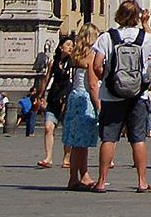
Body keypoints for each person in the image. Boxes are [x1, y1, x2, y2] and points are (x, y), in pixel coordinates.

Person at [91, 0, 151, 193]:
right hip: (139, 95)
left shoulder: (107, 37)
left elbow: (96, 64)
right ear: (137, 16)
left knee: (109, 138)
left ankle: (102, 182)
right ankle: (142, 181)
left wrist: (107, 80)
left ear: (119, 15)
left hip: (112, 95)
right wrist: (146, 24)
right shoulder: (145, 38)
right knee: (138, 139)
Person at [61, 22, 101, 191]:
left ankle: (81, 175)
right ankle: (76, 178)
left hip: (74, 96)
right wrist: (99, 105)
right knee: (81, 142)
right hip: (85, 98)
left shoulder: (76, 55)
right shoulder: (91, 55)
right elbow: (92, 84)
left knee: (77, 140)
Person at [39, 34, 74, 168]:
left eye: (72, 45)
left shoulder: (72, 62)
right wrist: (41, 95)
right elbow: (47, 78)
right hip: (54, 96)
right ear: (61, 47)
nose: (71, 47)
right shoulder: (53, 62)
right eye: (68, 45)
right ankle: (48, 157)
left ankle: (66, 158)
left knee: (67, 130)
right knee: (48, 127)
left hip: (67, 98)